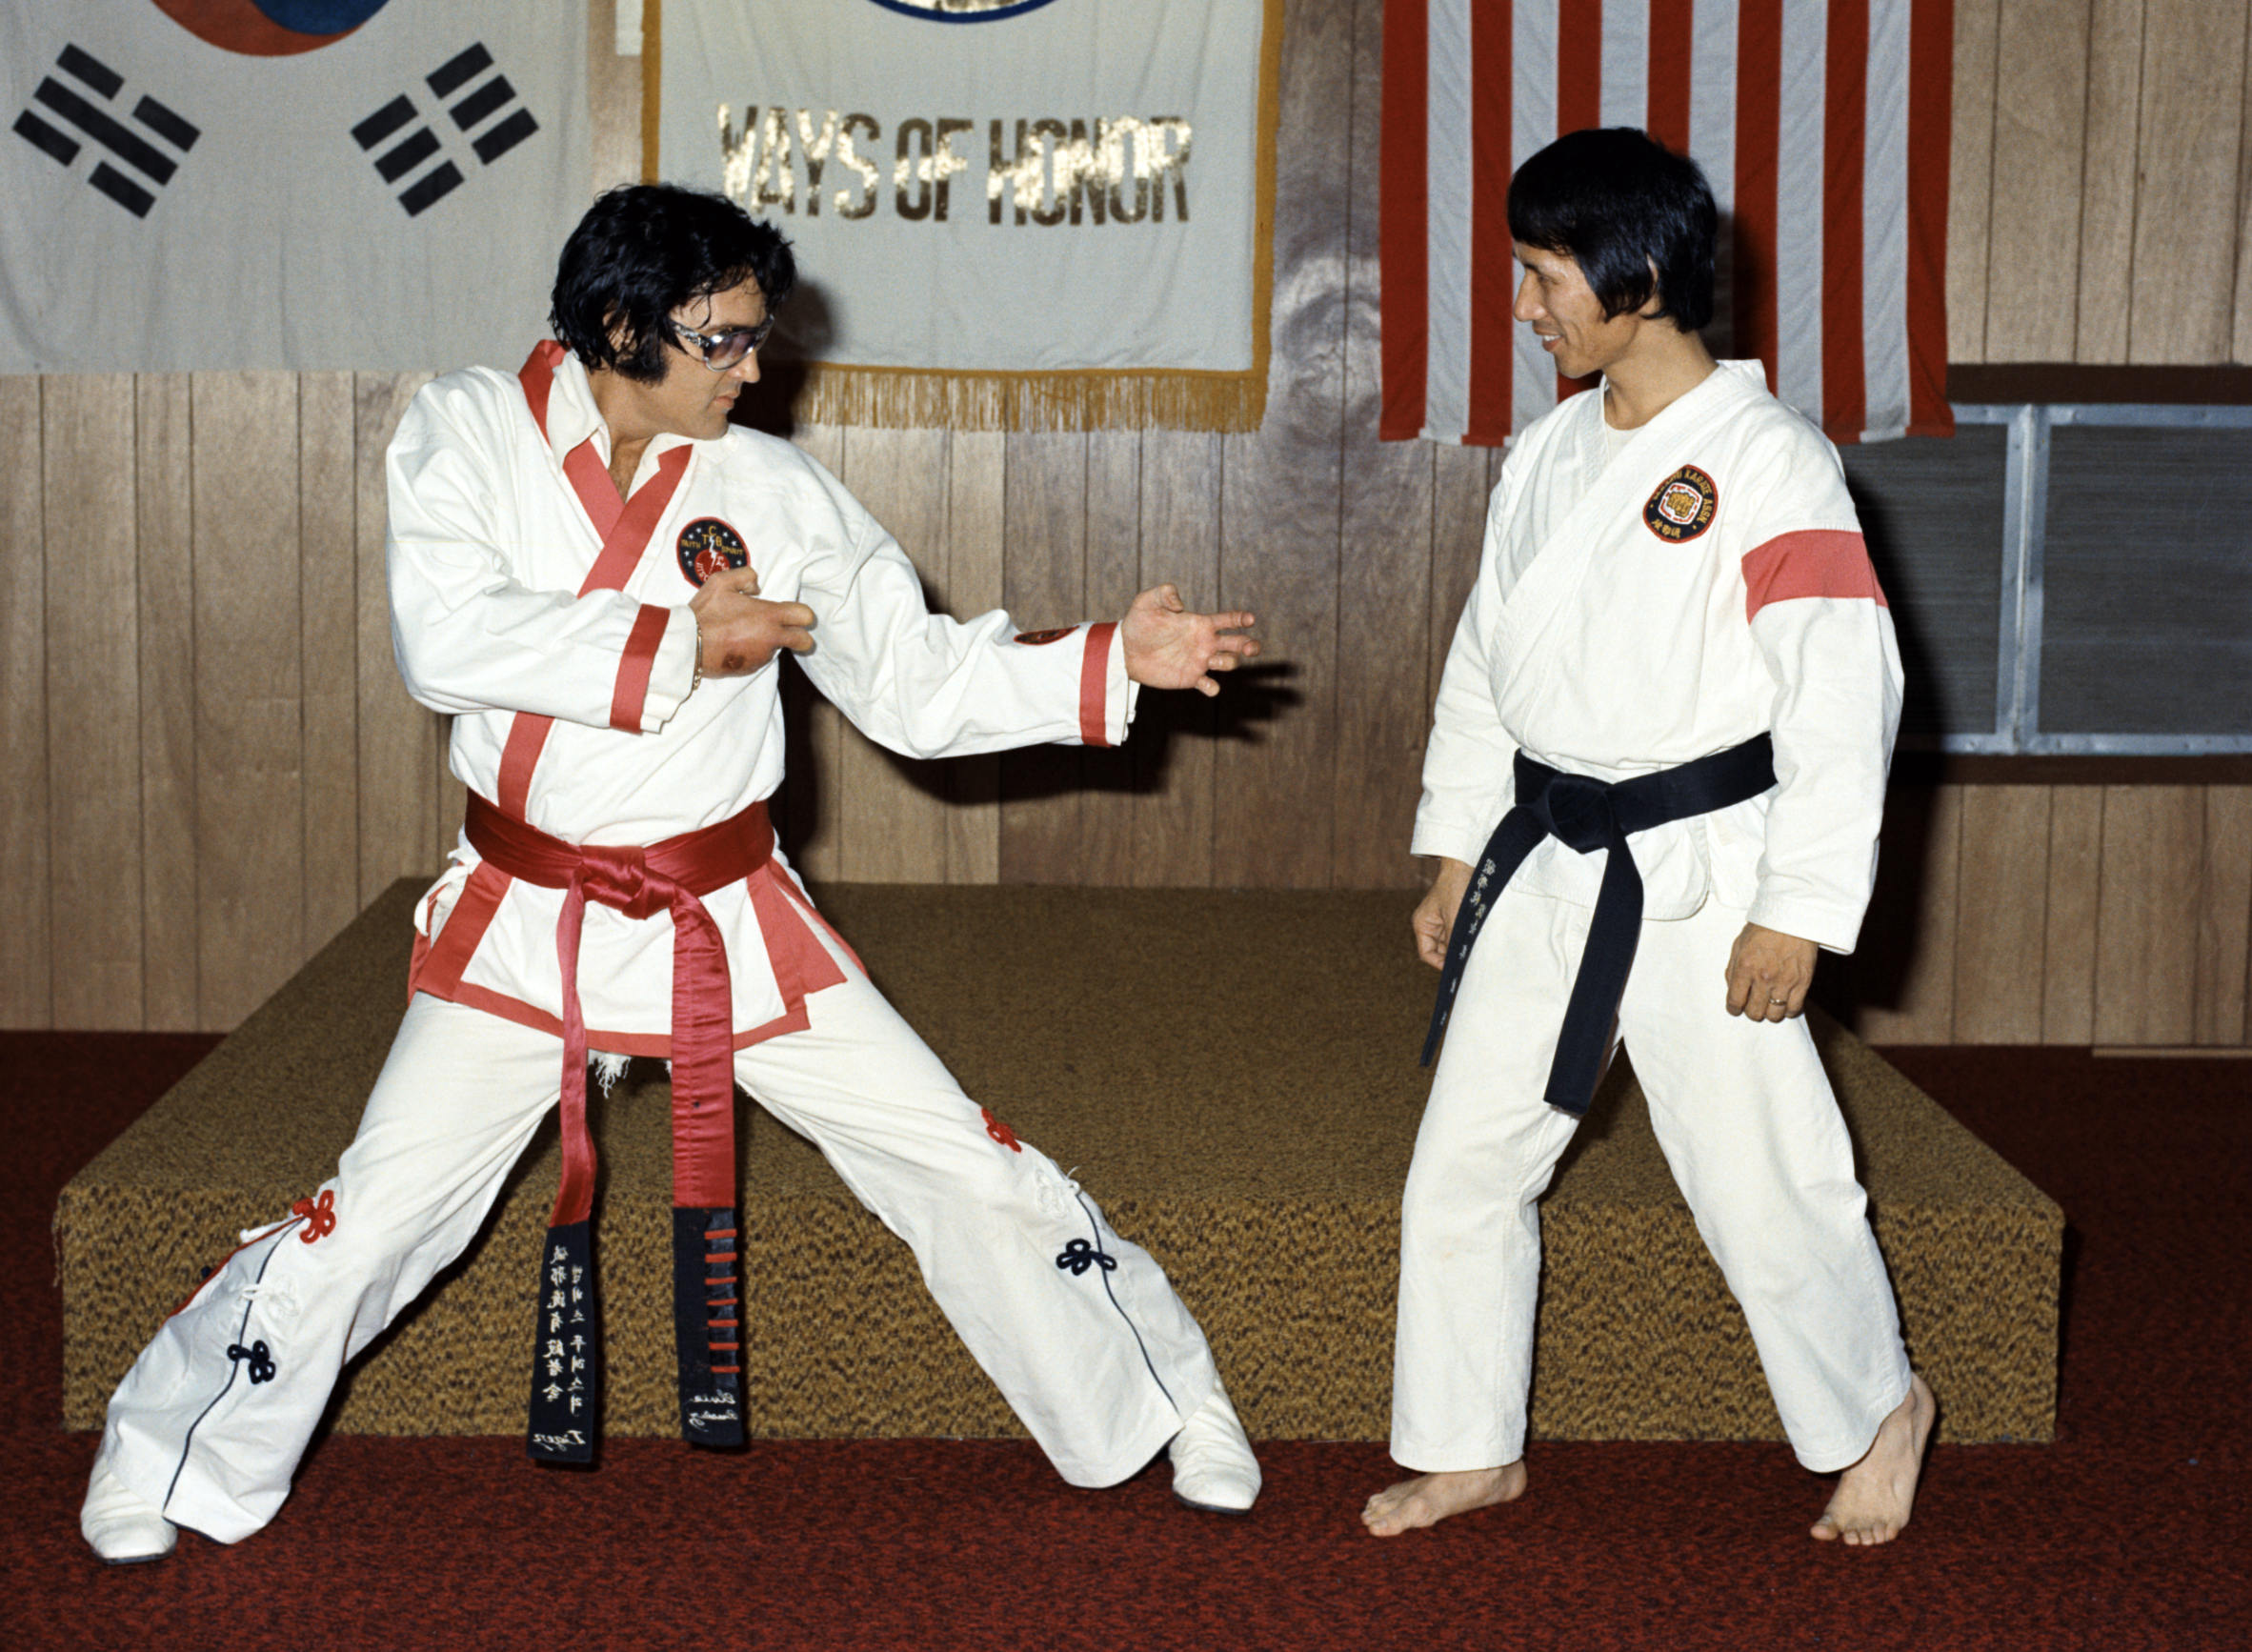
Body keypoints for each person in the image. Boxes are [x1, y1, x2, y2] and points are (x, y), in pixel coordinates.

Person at [81, 183, 1266, 1565]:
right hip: (533, 918)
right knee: (375, 1215)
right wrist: (670, 645)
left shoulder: (767, 486)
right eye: (727, 339)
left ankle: (1171, 1397)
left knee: (959, 1159)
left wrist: (1108, 663)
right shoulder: (462, 431)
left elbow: (915, 681)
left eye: (759, 338)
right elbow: (443, 636)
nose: (756, 369)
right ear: (621, 325)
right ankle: (162, 1445)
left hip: (726, 913)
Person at [1361, 129, 1934, 1546]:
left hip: (1703, 868)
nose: (1525, 304)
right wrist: (1454, 847)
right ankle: (1466, 1440)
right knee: (1465, 1159)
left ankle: (1882, 1408)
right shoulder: (1547, 452)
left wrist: (1799, 905)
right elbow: (1485, 660)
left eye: (1545, 274)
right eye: (1522, 271)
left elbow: (1843, 692)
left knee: (1762, 1172)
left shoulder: (1772, 460)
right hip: (1548, 852)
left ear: (1642, 272)